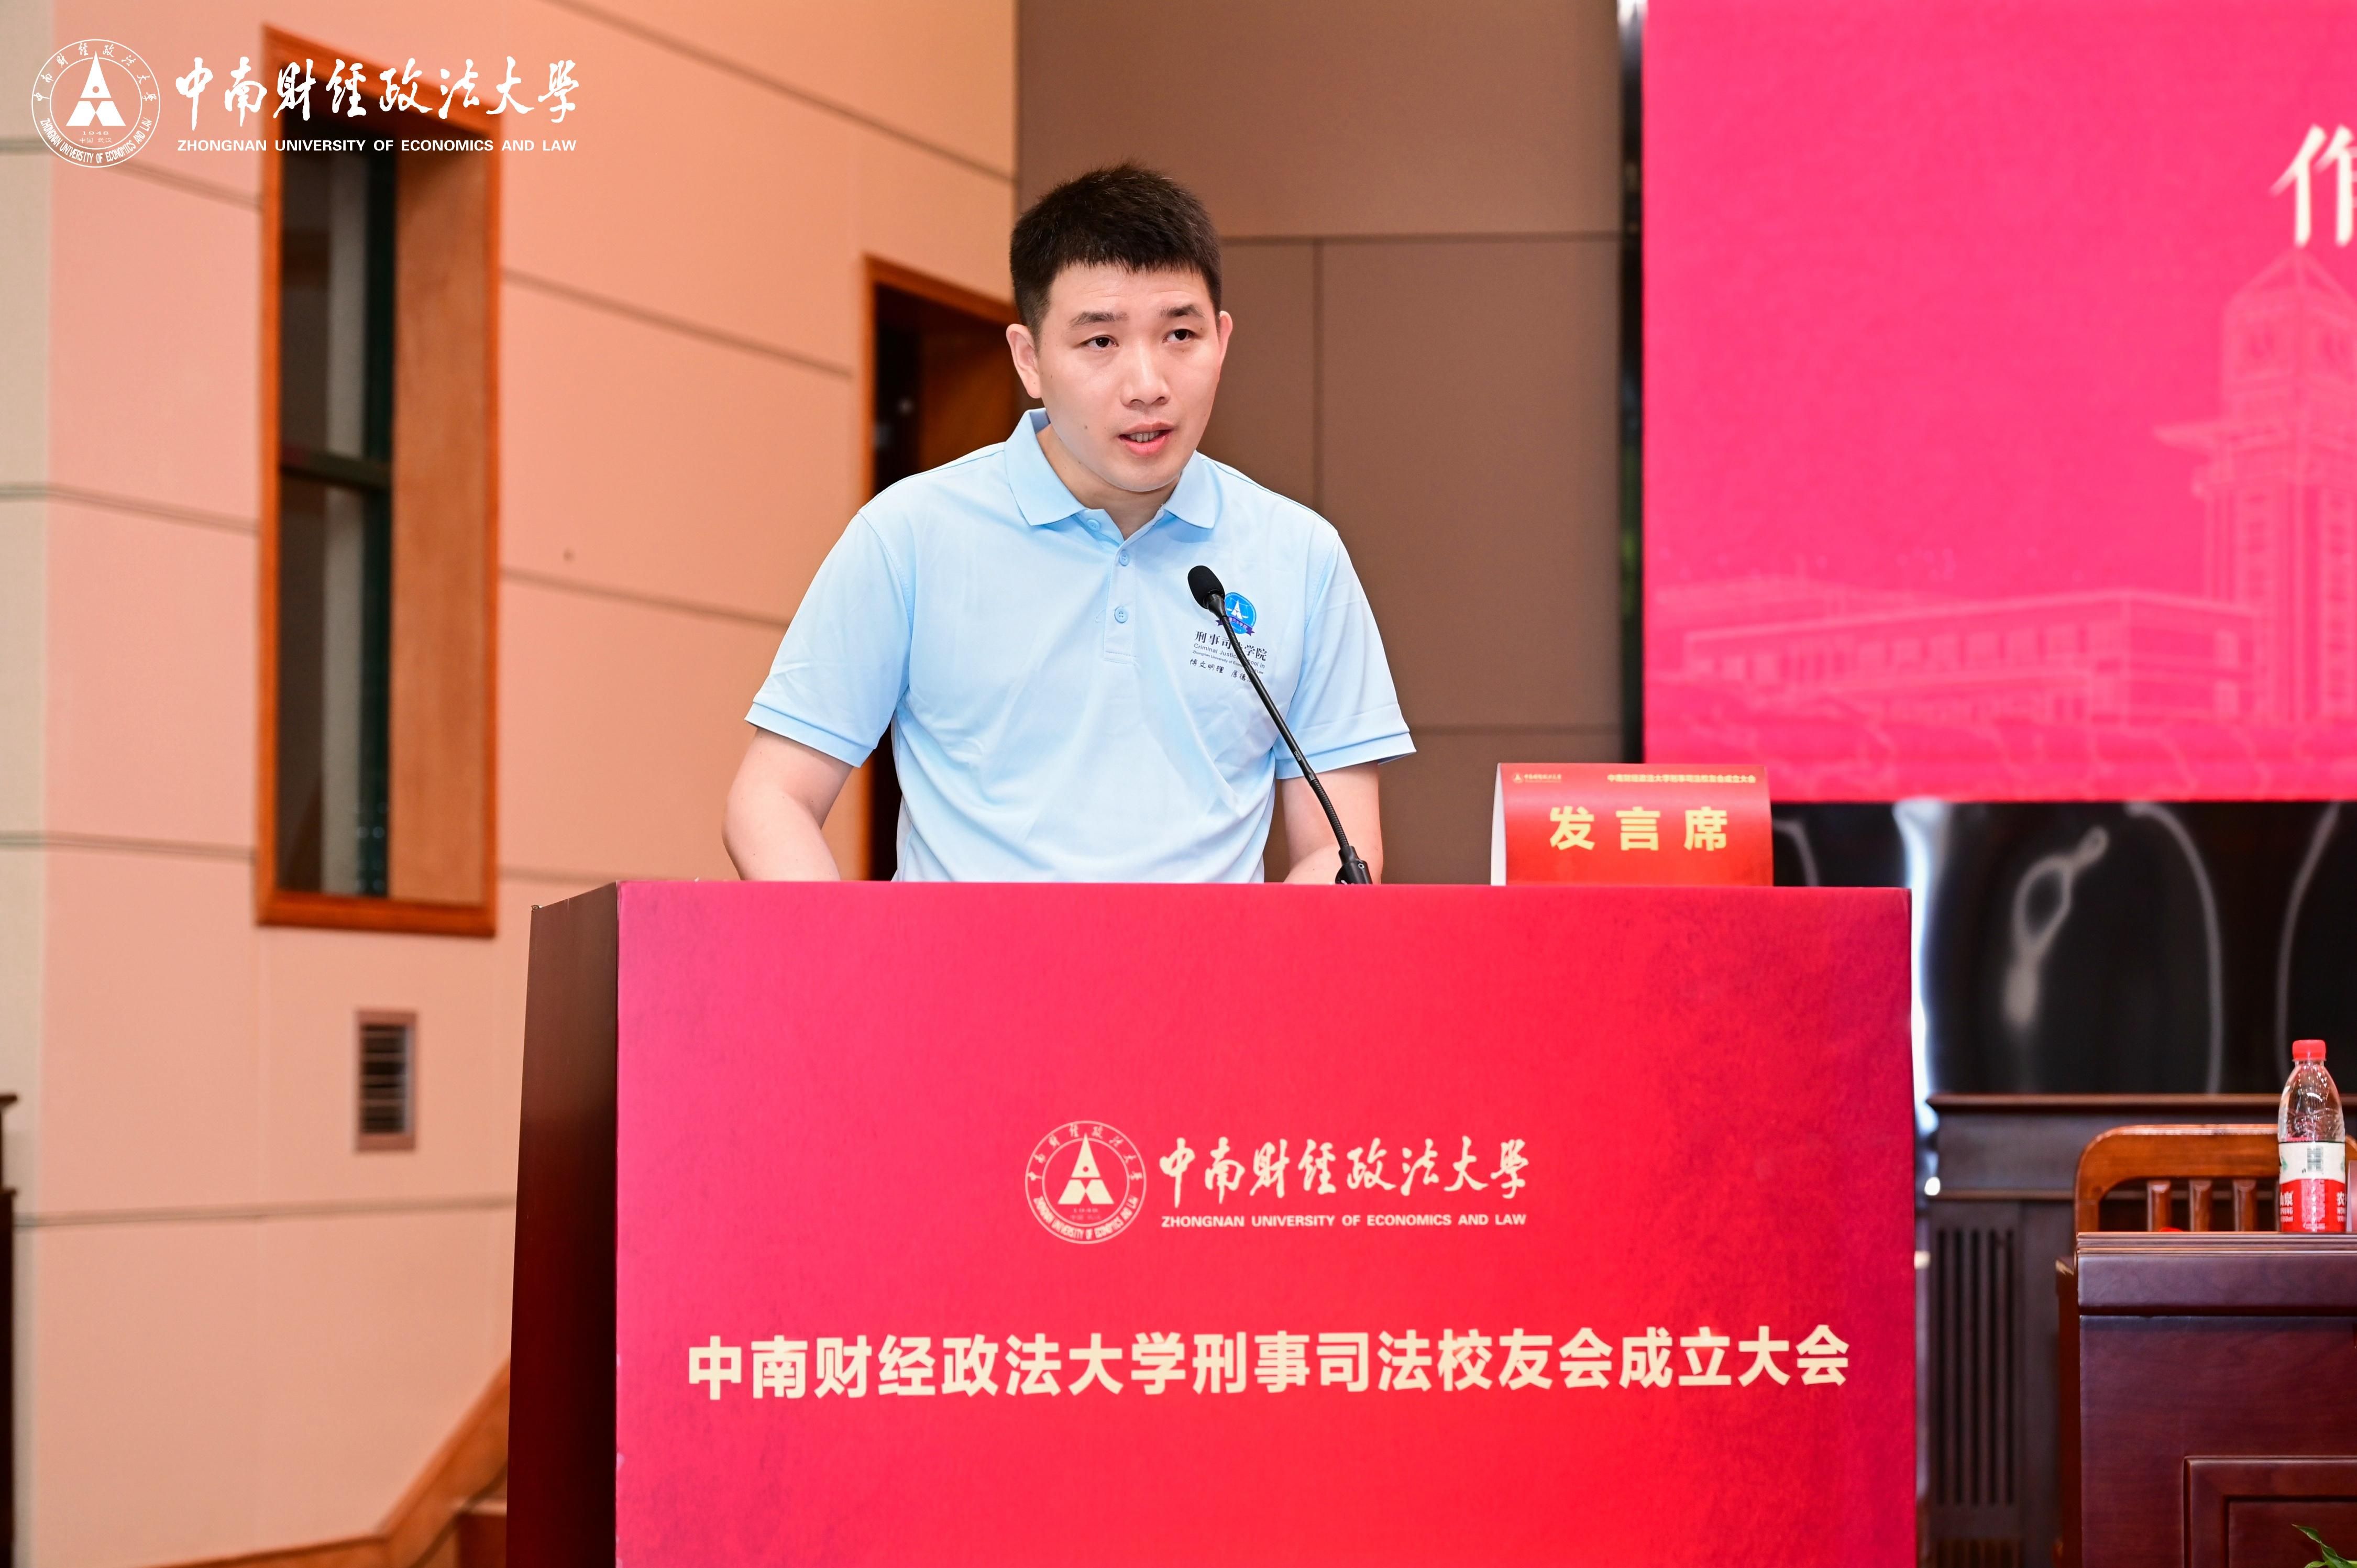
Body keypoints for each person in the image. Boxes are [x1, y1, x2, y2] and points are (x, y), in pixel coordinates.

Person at [723, 164, 1413, 882]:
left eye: (1180, 334)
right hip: (960, 961)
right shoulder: (911, 535)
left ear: (1223, 341)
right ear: (1029, 359)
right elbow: (771, 799)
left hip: (1211, 961)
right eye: (1101, 342)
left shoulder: (1301, 556)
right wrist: (847, 952)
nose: (1148, 385)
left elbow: (1337, 850)